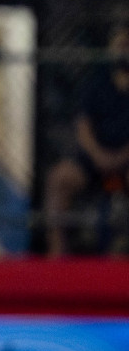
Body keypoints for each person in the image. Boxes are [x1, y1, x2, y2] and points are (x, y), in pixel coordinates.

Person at [45, 21, 129, 256]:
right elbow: (83, 127)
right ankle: (57, 252)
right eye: (120, 45)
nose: (124, 51)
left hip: (126, 161)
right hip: (95, 161)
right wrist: (99, 156)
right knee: (59, 178)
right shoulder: (96, 83)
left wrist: (121, 157)